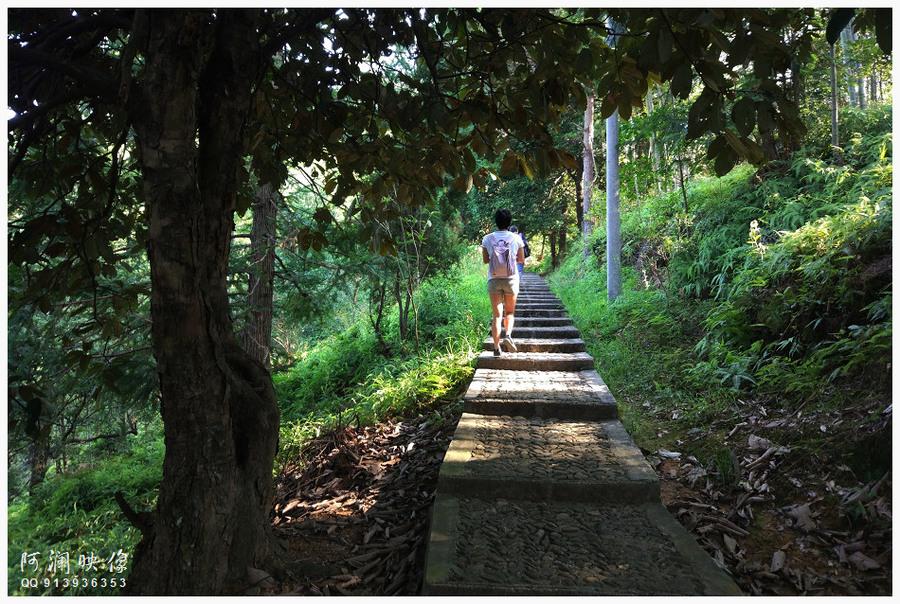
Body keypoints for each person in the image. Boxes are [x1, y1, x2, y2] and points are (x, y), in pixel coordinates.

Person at [482, 209, 524, 356]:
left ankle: (496, 348)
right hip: (511, 279)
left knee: (497, 315)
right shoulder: (516, 238)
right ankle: (508, 336)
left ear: (496, 221)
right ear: (509, 222)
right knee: (510, 312)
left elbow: (485, 260)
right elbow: (521, 260)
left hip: (493, 280)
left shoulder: (487, 238)